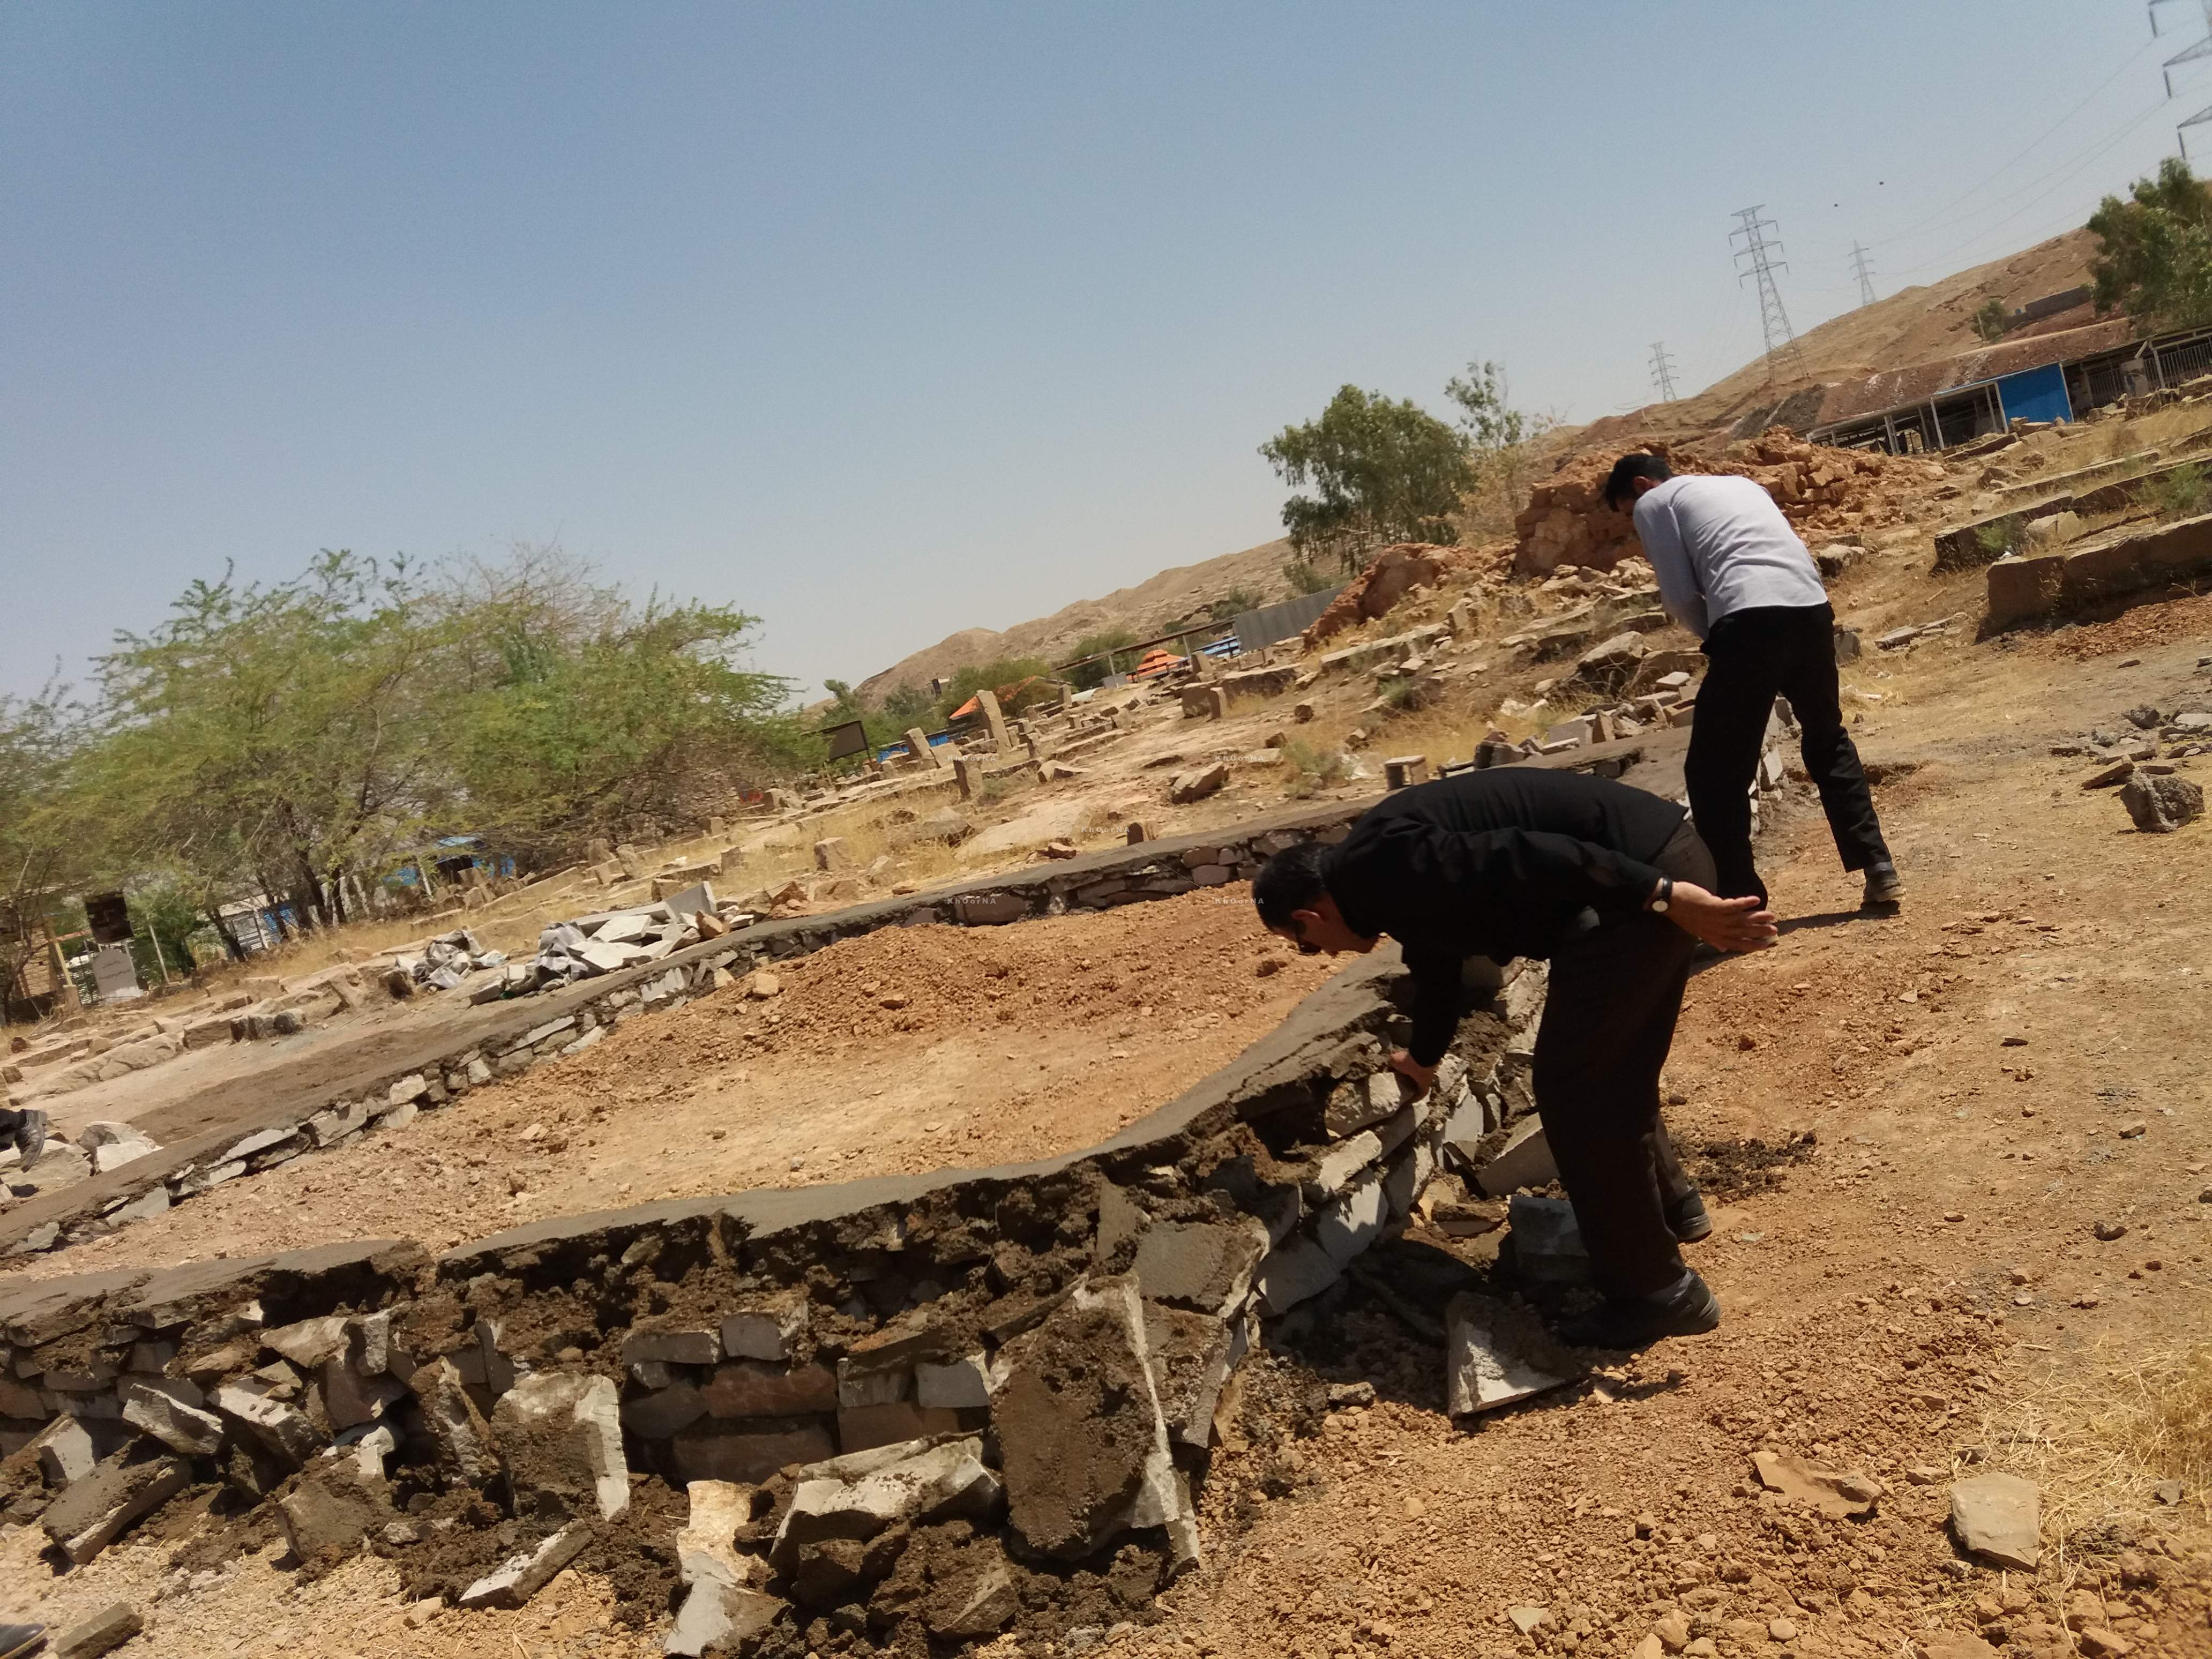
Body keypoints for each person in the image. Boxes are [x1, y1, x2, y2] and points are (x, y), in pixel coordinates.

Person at [1251, 768, 1776, 1349]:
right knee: (1611, 1069)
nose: (1318, 954)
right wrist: (1423, 1058)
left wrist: (1664, 895)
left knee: (1576, 1092)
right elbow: (1436, 964)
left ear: (1309, 918)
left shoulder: (1378, 865)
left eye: (1304, 946)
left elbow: (1527, 852)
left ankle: (1658, 1291)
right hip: (1651, 865)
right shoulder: (1381, 877)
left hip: (1644, 882)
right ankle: (1676, 1209)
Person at [1603, 452, 1902, 909]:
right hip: (1811, 609)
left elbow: (1680, 597)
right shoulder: (1741, 484)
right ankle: (1878, 867)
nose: (1633, 521)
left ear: (1641, 485)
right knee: (1827, 738)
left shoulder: (1654, 502)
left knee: (1714, 772)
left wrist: (1718, 638)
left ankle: (1741, 908)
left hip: (1747, 618)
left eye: (1628, 512)